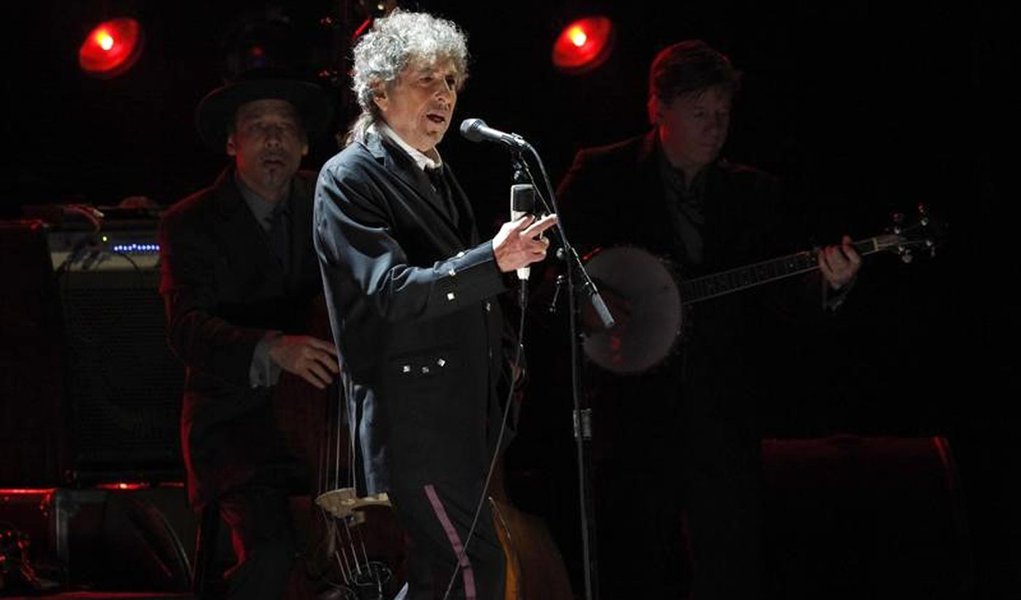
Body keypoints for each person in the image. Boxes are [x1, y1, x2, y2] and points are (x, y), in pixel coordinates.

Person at [552, 40, 861, 599]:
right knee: (633, 566)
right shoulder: (603, 173)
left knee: (732, 567)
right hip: (632, 415)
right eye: (700, 112)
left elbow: (786, 296)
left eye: (723, 113)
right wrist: (587, 302)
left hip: (724, 416)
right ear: (657, 109)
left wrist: (827, 283)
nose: (716, 127)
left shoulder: (755, 192)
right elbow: (545, 266)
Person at [313, 10, 558, 600]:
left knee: (441, 575)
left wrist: (507, 353)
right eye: (427, 78)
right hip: (415, 420)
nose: (444, 94)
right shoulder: (348, 177)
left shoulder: (433, 173)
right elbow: (391, 291)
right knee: (472, 566)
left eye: (451, 80)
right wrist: (489, 261)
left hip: (459, 418)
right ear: (379, 89)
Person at [158, 71, 341, 599]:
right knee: (276, 551)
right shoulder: (189, 222)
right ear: (232, 143)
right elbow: (187, 329)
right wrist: (271, 348)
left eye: (285, 128)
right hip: (236, 427)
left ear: (305, 144)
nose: (274, 140)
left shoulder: (330, 203)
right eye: (258, 128)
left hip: (326, 423)